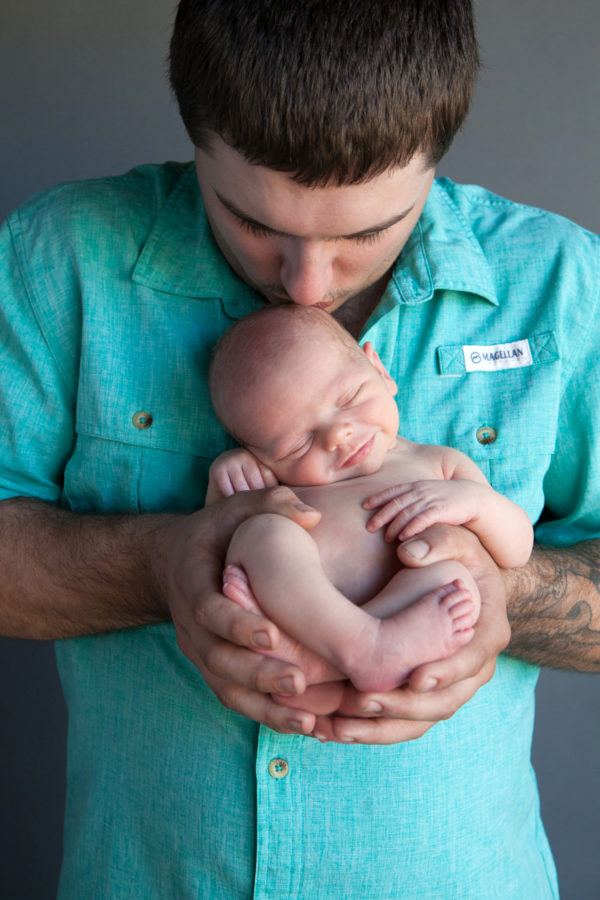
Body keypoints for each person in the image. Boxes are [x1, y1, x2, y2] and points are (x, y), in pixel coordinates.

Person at [0, 0, 598, 896]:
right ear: (195, 136)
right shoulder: (57, 259)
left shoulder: (561, 284)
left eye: (364, 233)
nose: (307, 284)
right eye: (253, 221)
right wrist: (166, 565)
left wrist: (499, 593)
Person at [206, 304, 533, 712]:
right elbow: (214, 541)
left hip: (403, 612)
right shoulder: (277, 481)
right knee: (260, 534)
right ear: (261, 456)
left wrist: (475, 502)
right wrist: (228, 481)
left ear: (379, 369)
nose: (338, 435)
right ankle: (354, 648)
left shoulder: (438, 463)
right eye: (298, 444)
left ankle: (330, 660)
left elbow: (517, 548)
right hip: (306, 610)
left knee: (457, 580)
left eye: (350, 398)